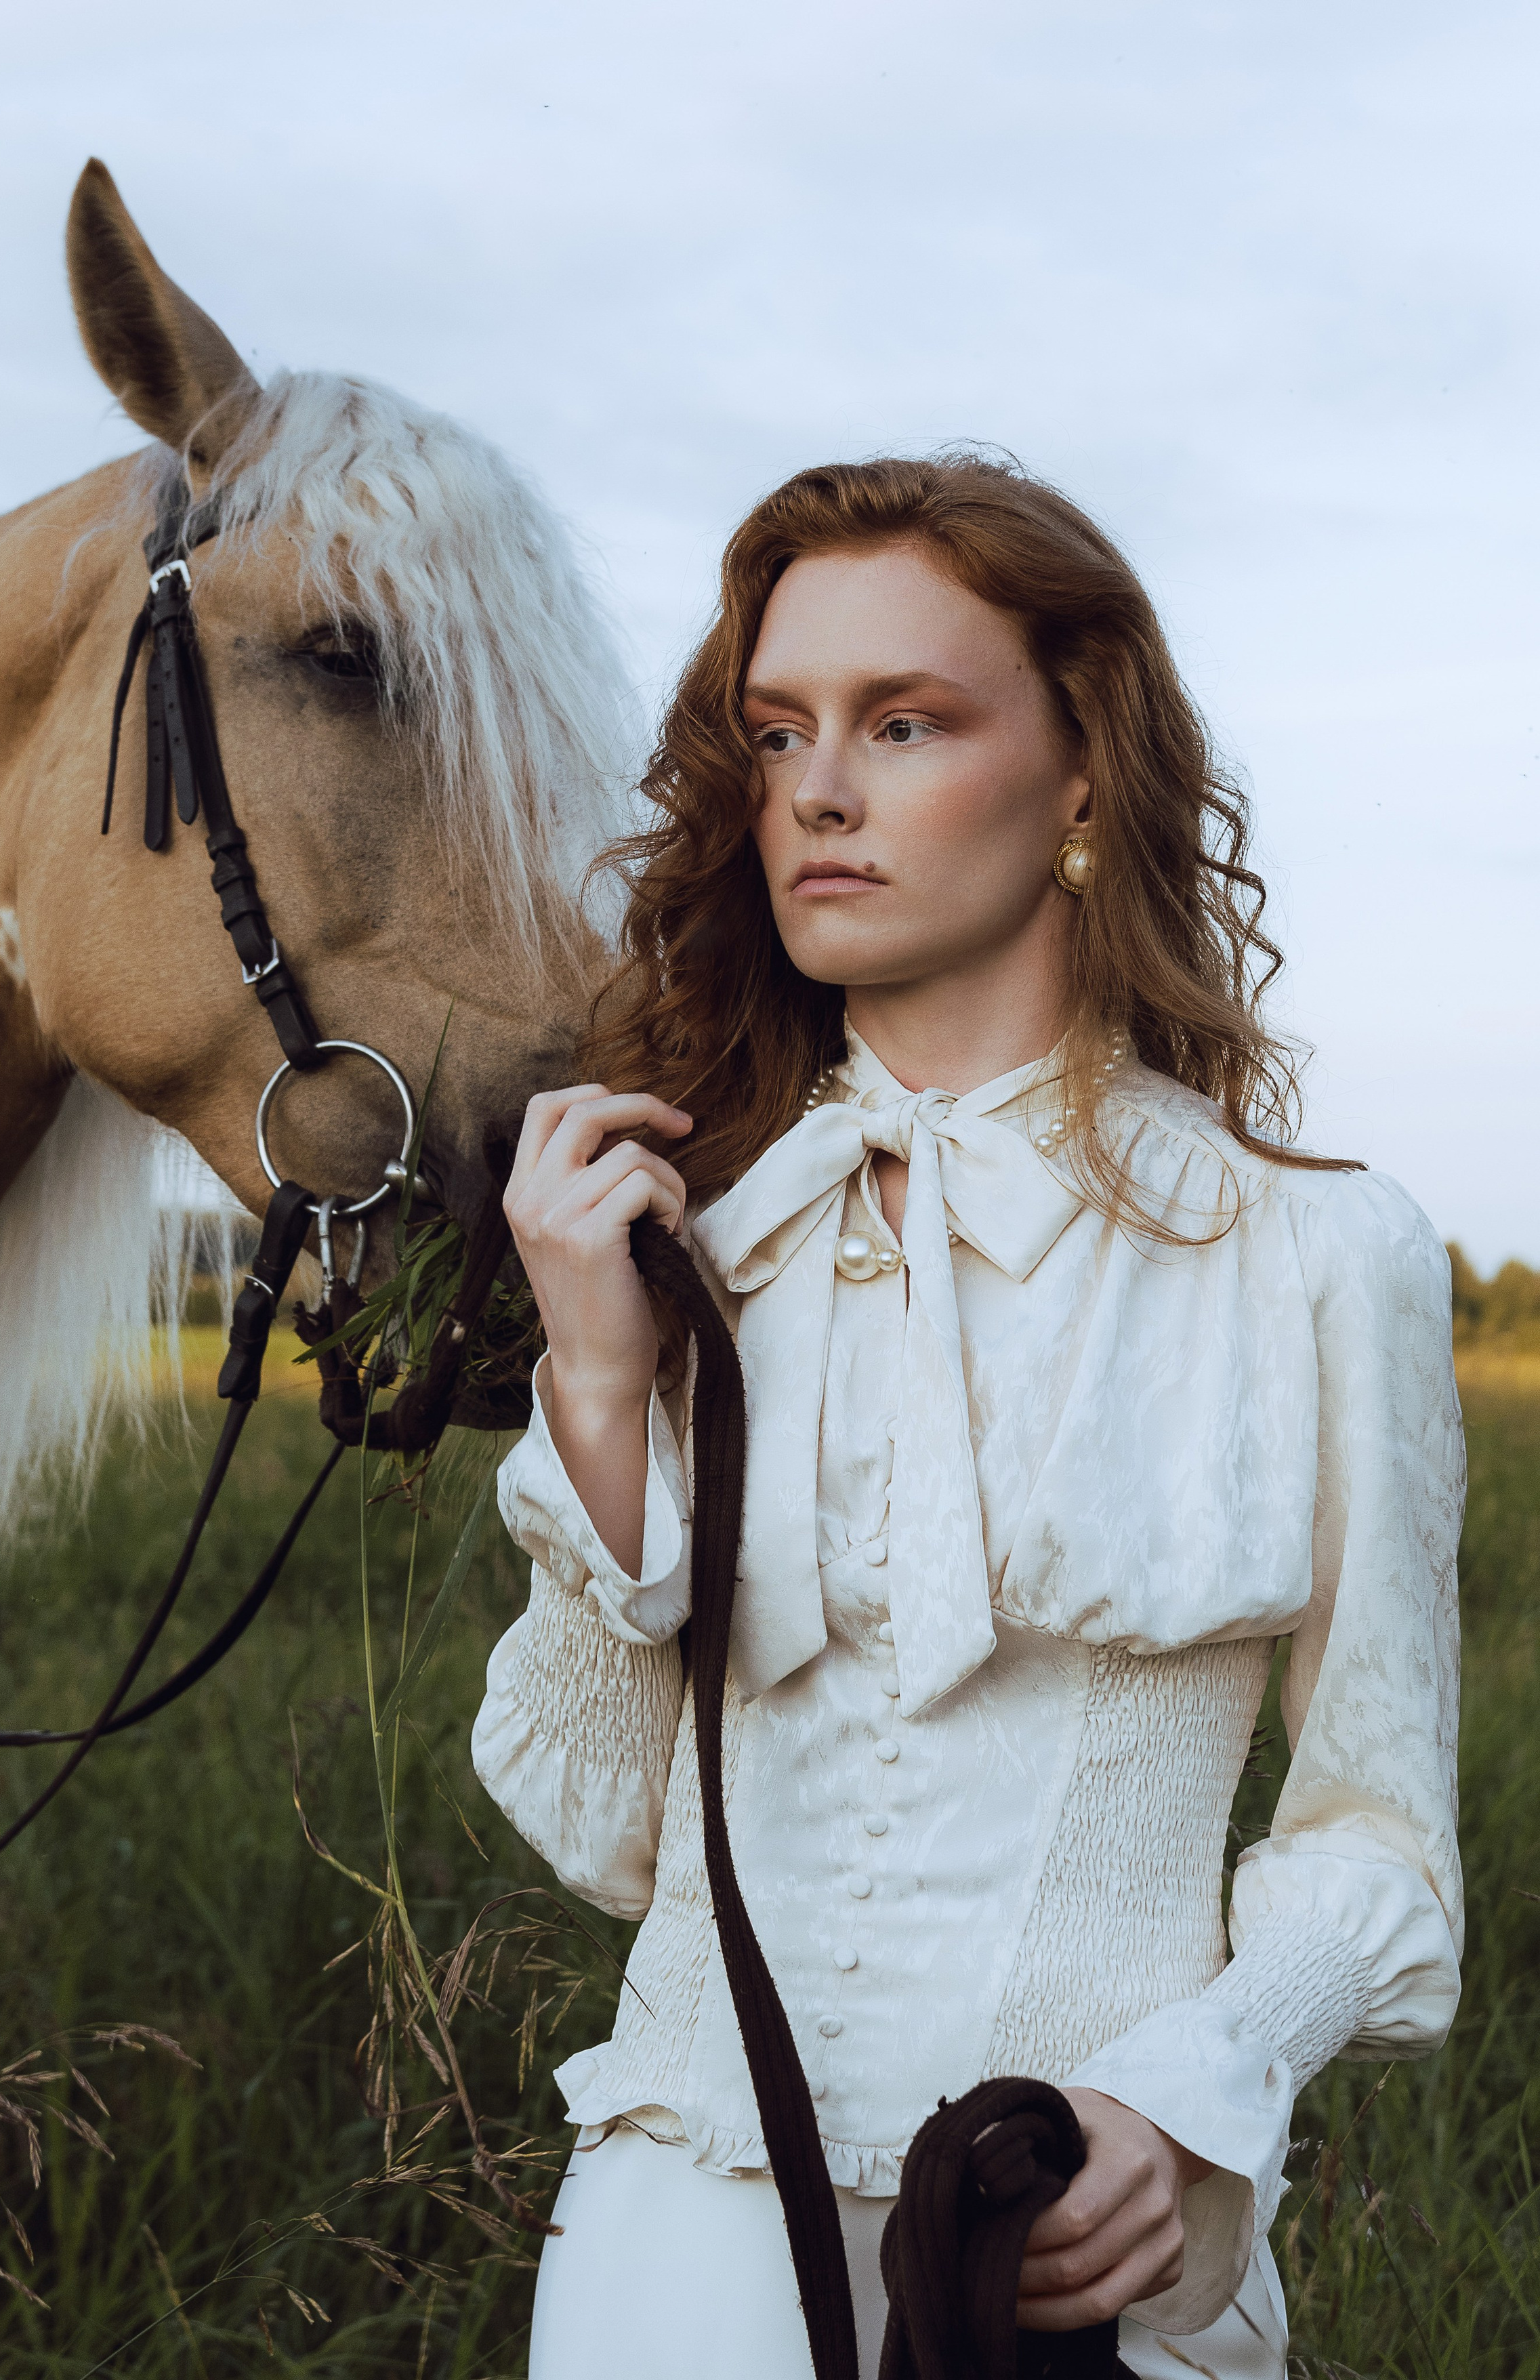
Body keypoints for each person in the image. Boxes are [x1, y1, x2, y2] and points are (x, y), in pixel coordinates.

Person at [473, 455, 1463, 2379]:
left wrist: (1184, 2107)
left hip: (1080, 2233)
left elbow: (1381, 1838)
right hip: (678, 2213)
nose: (818, 791)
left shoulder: (1320, 1254)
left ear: (1084, 767)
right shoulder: (684, 1258)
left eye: (902, 721)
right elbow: (601, 1825)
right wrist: (596, 1379)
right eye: (778, 733)